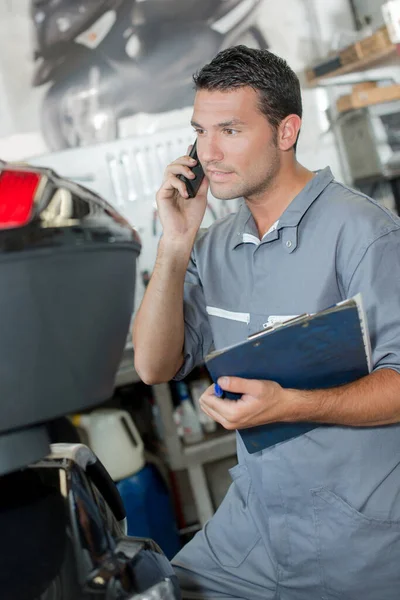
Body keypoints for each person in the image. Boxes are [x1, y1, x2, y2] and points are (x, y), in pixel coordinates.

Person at [133, 45, 400, 600]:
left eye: (229, 129)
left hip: (357, 538)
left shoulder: (365, 233)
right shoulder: (216, 245)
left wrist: (291, 404)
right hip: (254, 529)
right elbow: (154, 366)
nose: (208, 151)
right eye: (199, 132)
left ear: (286, 131)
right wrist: (176, 243)